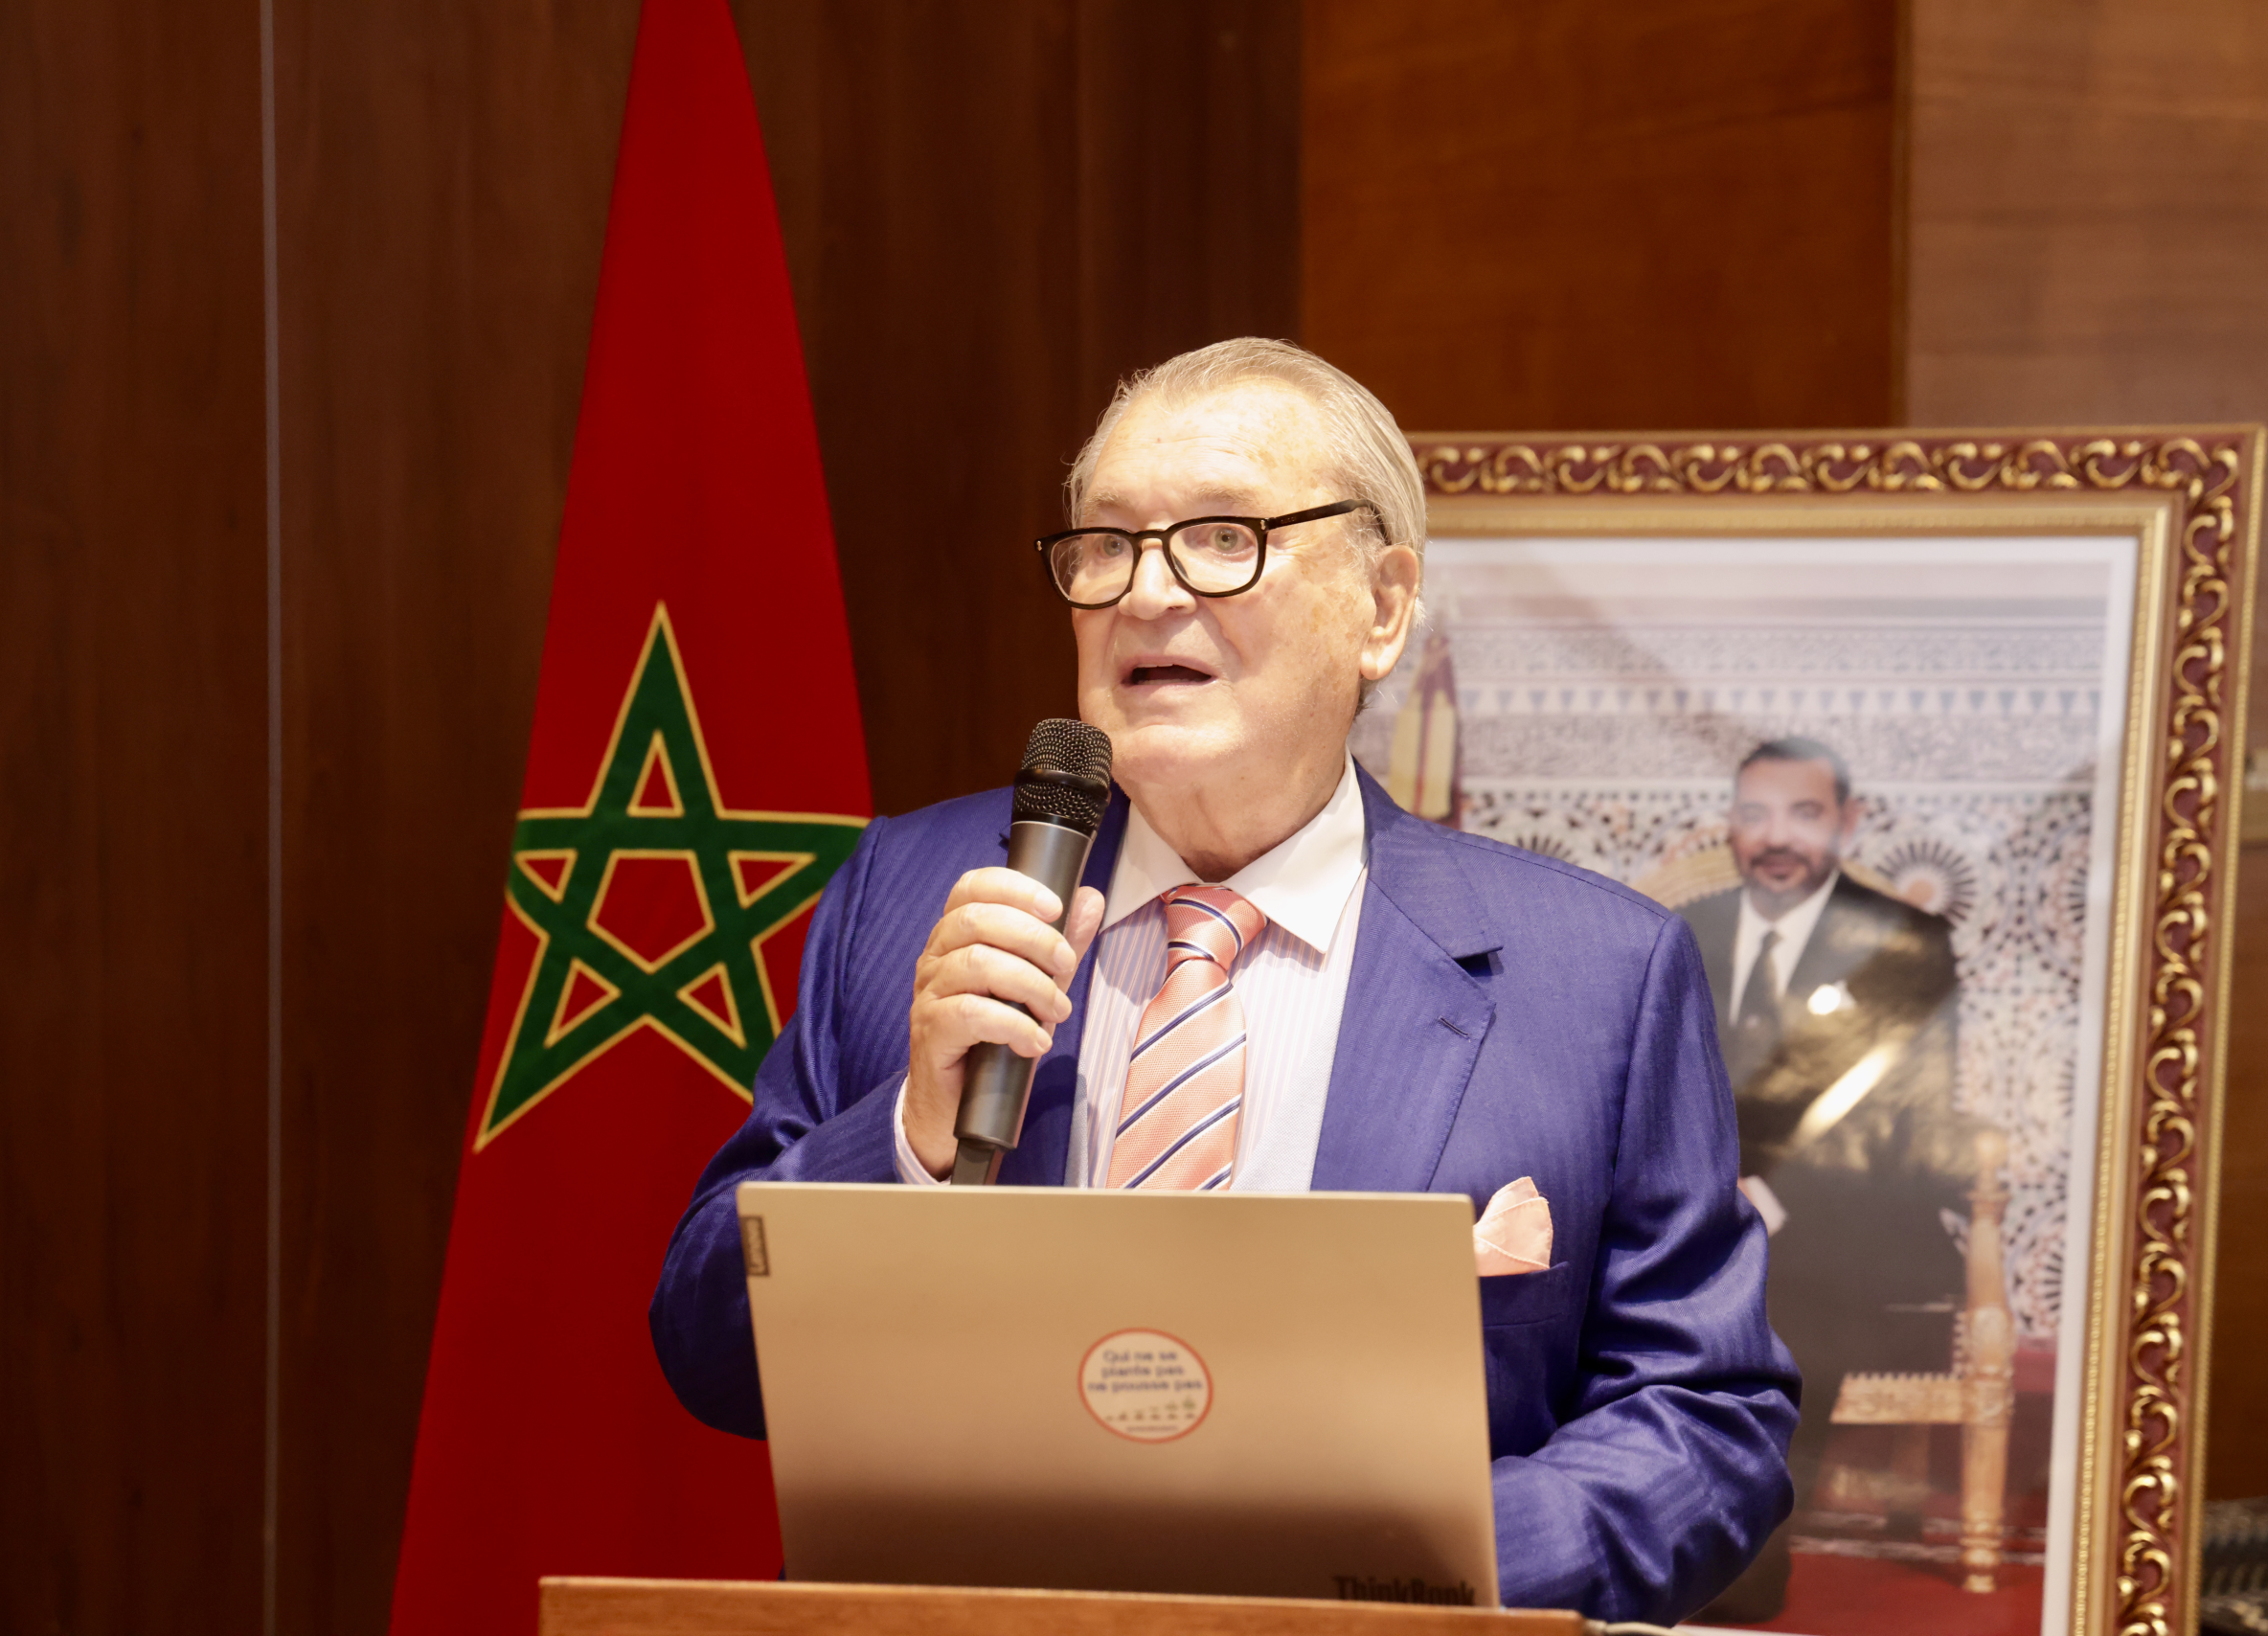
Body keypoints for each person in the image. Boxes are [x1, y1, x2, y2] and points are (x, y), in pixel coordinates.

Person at [649, 337, 1797, 1624]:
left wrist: (1428, 1569)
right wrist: (909, 1138)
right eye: (1107, 545)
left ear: (1381, 607)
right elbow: (706, 1349)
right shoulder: (909, 893)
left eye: (1220, 538)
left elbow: (1706, 1416)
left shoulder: (1598, 976)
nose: (1147, 593)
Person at [1677, 738, 1969, 1621]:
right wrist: (1700, 1201)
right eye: (1755, 814)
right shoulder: (1682, 933)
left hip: (1847, 1224)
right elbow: (1654, 1091)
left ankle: (1739, 1576)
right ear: (1731, 825)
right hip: (1699, 1212)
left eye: (1803, 815)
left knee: (1777, 1300)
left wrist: (1761, 1203)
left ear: (1848, 823)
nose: (1776, 837)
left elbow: (1897, 1129)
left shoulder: (1904, 946)